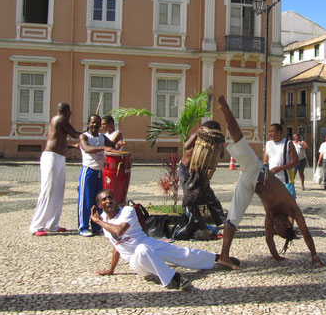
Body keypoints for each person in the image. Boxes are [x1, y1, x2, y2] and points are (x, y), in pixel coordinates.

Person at [215, 95, 325, 270]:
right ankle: (225, 107)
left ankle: (224, 256)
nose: (274, 227)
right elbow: (306, 233)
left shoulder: (271, 215)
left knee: (233, 218)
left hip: (248, 184)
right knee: (238, 138)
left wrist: (276, 256)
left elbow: (269, 239)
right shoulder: (292, 207)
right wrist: (314, 254)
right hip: (256, 171)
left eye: (275, 229)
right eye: (278, 228)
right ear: (288, 224)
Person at [91, 190, 224, 290]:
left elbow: (119, 231)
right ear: (99, 204)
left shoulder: (127, 211)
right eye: (104, 200)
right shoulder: (104, 220)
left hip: (148, 243)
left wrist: (97, 221)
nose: (108, 201)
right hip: (137, 260)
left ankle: (216, 258)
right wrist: (111, 270)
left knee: (180, 252)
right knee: (142, 250)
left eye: (110, 197)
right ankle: (174, 279)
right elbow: (116, 245)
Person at [29, 103, 80, 236]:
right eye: (69, 111)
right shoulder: (60, 119)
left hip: (59, 158)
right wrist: (91, 135)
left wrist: (74, 147)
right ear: (63, 111)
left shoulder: (60, 122)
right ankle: (36, 225)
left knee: (58, 192)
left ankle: (52, 224)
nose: (71, 114)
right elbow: (75, 134)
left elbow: (61, 142)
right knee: (48, 191)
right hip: (51, 158)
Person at [176, 120, 227, 238]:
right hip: (186, 169)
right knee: (191, 196)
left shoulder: (215, 140)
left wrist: (220, 144)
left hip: (201, 172)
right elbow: (187, 146)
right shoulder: (197, 135)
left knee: (209, 196)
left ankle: (223, 222)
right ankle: (199, 224)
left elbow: (221, 155)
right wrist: (196, 134)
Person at [78, 114, 124, 237]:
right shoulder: (84, 136)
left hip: (100, 171)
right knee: (86, 200)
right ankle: (83, 227)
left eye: (98, 122)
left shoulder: (102, 137)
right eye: (93, 122)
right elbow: (86, 148)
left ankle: (97, 226)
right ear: (88, 124)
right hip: (89, 171)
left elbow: (113, 146)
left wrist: (118, 145)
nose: (95, 125)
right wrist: (103, 147)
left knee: (100, 201)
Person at [264, 124, 299, 198]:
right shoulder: (268, 144)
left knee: (288, 206)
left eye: (272, 131)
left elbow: (296, 162)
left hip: (286, 181)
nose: (269, 133)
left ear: (279, 132)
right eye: (269, 131)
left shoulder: (288, 144)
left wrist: (280, 168)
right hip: (272, 181)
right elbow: (265, 161)